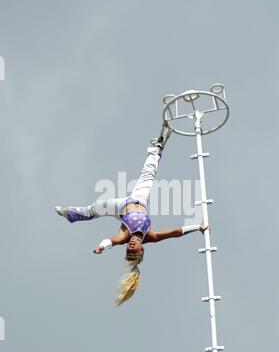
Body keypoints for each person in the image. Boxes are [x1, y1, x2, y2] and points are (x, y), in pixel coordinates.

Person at [55, 121, 208, 305]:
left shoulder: (124, 236)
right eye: (134, 248)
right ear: (141, 248)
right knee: (148, 174)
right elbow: (176, 232)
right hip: (139, 199)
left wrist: (101, 247)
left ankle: (73, 215)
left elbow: (111, 240)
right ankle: (158, 147)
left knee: (93, 209)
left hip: (121, 207)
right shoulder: (150, 236)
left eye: (129, 248)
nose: (131, 244)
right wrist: (198, 227)